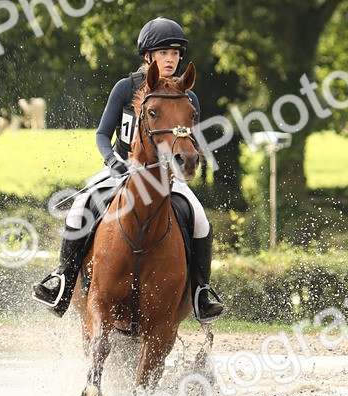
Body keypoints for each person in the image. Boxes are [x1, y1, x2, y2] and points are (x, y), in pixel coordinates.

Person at [33, 17, 224, 320]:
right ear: (148, 57)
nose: (171, 59)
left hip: (165, 178)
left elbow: (186, 141)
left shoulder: (187, 95)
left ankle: (201, 293)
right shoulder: (126, 88)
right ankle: (63, 282)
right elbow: (101, 135)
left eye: (175, 54)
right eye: (164, 53)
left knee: (200, 220)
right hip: (122, 169)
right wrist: (113, 162)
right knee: (80, 206)